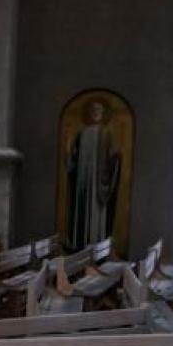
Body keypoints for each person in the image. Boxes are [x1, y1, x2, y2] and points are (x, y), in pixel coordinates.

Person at [66, 99, 121, 248]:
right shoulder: (81, 133)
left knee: (97, 213)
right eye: (93, 110)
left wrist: (115, 158)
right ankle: (80, 244)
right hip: (82, 182)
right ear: (89, 113)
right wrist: (70, 158)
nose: (96, 113)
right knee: (81, 212)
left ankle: (97, 246)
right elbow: (73, 157)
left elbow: (114, 156)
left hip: (98, 182)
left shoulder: (106, 133)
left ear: (103, 114)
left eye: (99, 110)